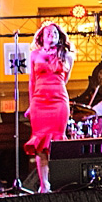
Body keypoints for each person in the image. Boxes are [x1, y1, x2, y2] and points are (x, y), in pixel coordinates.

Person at [25, 21, 75, 193]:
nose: (51, 35)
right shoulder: (34, 55)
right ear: (42, 36)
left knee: (56, 141)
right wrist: (31, 104)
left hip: (58, 100)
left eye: (54, 33)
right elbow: (32, 82)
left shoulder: (67, 55)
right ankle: (44, 184)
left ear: (59, 36)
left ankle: (58, 181)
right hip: (39, 101)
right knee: (40, 143)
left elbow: (65, 78)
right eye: (48, 33)